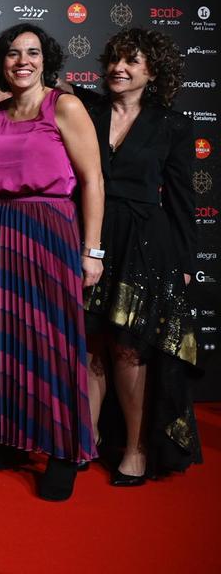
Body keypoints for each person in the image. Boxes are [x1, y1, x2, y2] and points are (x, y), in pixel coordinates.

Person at [0, 23, 104, 501]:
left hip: (51, 232)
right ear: (1, 63)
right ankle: (13, 437)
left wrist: (92, 250)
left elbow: (93, 180)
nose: (22, 61)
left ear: (45, 60)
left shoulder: (64, 106)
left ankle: (65, 451)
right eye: (12, 53)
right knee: (7, 338)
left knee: (54, 342)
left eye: (31, 52)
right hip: (1, 233)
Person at [82, 28, 201, 484]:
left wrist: (186, 264)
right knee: (90, 342)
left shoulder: (172, 124)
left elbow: (182, 199)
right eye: (114, 59)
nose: (119, 68)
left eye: (131, 61)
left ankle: (135, 447)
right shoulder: (86, 111)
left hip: (145, 245)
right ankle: (88, 437)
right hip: (90, 234)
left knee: (130, 348)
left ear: (153, 72)